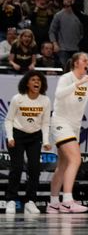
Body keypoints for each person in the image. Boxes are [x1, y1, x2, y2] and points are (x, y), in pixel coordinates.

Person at [49, 53, 88, 213]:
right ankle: (67, 200)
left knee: (63, 165)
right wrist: (80, 83)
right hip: (60, 122)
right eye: (84, 60)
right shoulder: (67, 78)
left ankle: (53, 202)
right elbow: (59, 94)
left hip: (74, 126)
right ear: (75, 63)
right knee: (75, 158)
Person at [4, 70, 51, 214]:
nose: (36, 82)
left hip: (34, 136)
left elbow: (45, 123)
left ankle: (30, 201)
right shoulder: (18, 98)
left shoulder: (45, 100)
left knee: (34, 169)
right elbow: (8, 120)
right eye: (33, 80)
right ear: (27, 83)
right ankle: (11, 200)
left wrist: (46, 141)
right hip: (17, 136)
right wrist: (10, 137)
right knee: (17, 168)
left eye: (39, 80)